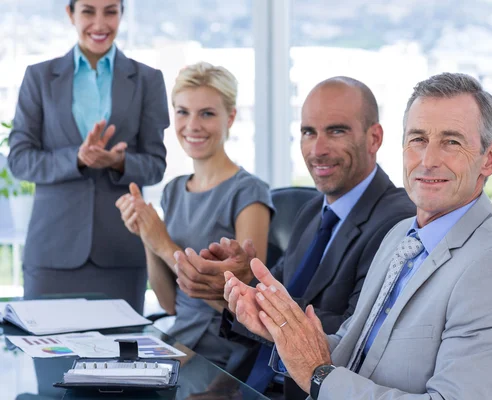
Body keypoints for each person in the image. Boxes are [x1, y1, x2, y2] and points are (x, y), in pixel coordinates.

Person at [224, 72, 492, 400]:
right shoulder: (401, 237)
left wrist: (318, 376)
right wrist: (283, 327)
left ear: (489, 158)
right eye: (418, 139)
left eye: (451, 142)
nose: (428, 160)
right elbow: (353, 349)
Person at [173, 76, 416, 398]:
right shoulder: (312, 211)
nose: (317, 150)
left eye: (336, 131)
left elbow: (354, 332)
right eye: (308, 132)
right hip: (246, 385)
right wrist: (240, 282)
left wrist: (256, 294)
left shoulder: (398, 222)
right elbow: (267, 313)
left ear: (374, 138)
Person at [7, 0, 168, 313]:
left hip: (120, 252)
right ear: (70, 14)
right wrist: (76, 159)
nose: (99, 23)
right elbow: (20, 160)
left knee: (120, 361)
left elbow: (155, 165)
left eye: (110, 11)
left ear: (122, 14)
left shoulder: (147, 80)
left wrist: (118, 162)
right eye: (88, 11)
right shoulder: (39, 78)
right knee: (49, 355)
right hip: (52, 255)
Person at [115, 61, 274, 372]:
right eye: (183, 112)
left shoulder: (250, 192)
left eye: (207, 113)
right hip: (178, 339)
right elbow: (168, 303)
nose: (192, 125)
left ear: (230, 117)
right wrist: (147, 235)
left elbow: (248, 305)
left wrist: (161, 241)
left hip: (224, 349)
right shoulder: (174, 190)